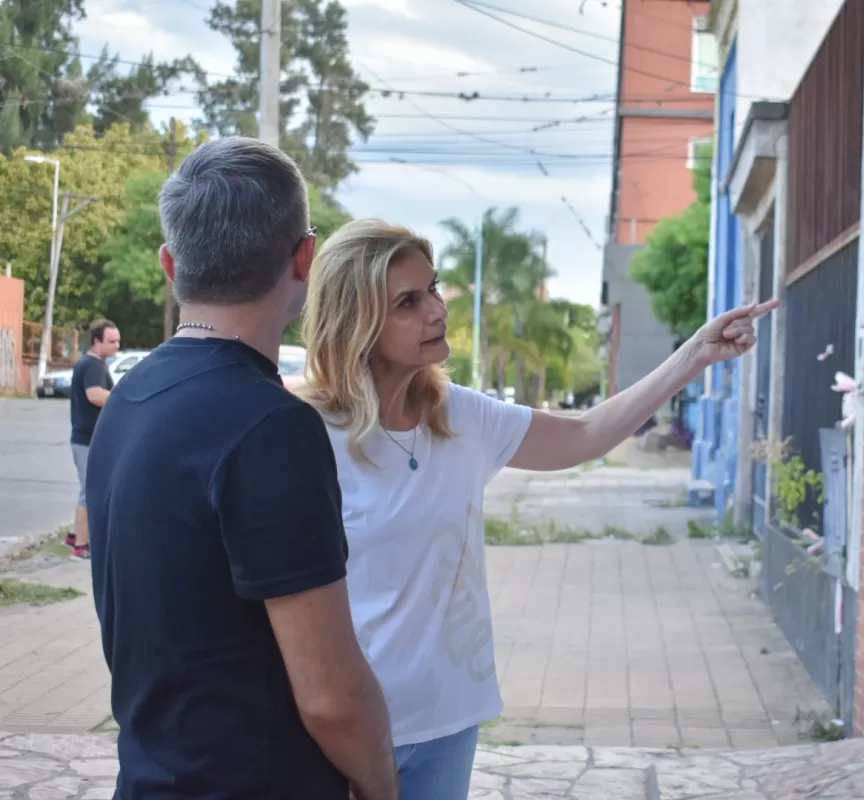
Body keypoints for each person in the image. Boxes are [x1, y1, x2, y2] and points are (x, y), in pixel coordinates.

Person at [298, 219, 776, 800]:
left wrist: (693, 356)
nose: (436, 310)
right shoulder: (303, 436)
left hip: (449, 719)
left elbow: (584, 433)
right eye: (407, 301)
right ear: (357, 322)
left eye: (433, 288)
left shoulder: (461, 417)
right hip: (346, 734)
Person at [86, 138, 396, 800]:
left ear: (171, 264)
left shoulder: (130, 400)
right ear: (305, 259)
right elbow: (332, 694)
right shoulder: (270, 426)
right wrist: (382, 785)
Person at [66, 318, 120, 560]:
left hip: (85, 438)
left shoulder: (94, 363)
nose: (117, 345)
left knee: (87, 490)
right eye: (111, 341)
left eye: (118, 341)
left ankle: (75, 535)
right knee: (89, 492)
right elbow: (94, 394)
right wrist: (122, 399)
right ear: (96, 341)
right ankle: (80, 547)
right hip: (86, 439)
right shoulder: (93, 365)